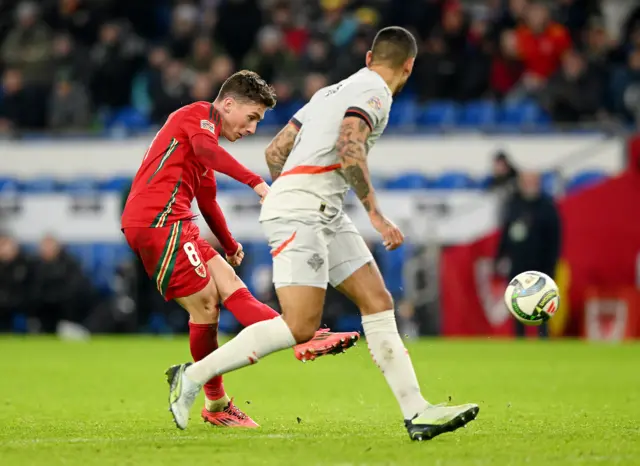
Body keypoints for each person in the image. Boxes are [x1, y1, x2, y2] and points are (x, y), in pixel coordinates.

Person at [165, 27, 479, 441]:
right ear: (409, 66)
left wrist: (292, 190)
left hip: (319, 208)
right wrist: (375, 215)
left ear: (368, 57)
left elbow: (276, 150)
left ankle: (417, 411)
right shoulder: (377, 93)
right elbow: (351, 143)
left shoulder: (330, 91)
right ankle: (192, 376)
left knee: (377, 300)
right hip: (304, 211)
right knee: (300, 326)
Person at [121, 70, 359, 428]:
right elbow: (206, 151)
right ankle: (224, 391)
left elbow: (207, 199)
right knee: (205, 307)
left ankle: (298, 337)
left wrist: (230, 245)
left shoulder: (203, 138)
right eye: (252, 118)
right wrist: (255, 182)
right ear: (228, 104)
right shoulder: (196, 116)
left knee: (230, 284)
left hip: (178, 221)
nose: (251, 129)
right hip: (157, 221)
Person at [496, 171, 562, 338]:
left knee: (543, 304)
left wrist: (552, 264)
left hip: (541, 263)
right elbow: (506, 233)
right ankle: (520, 339)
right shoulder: (514, 204)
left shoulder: (547, 206)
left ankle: (543, 337)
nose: (528, 185)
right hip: (519, 264)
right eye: (526, 181)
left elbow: (555, 238)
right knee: (518, 303)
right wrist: (500, 255)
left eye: (532, 181)